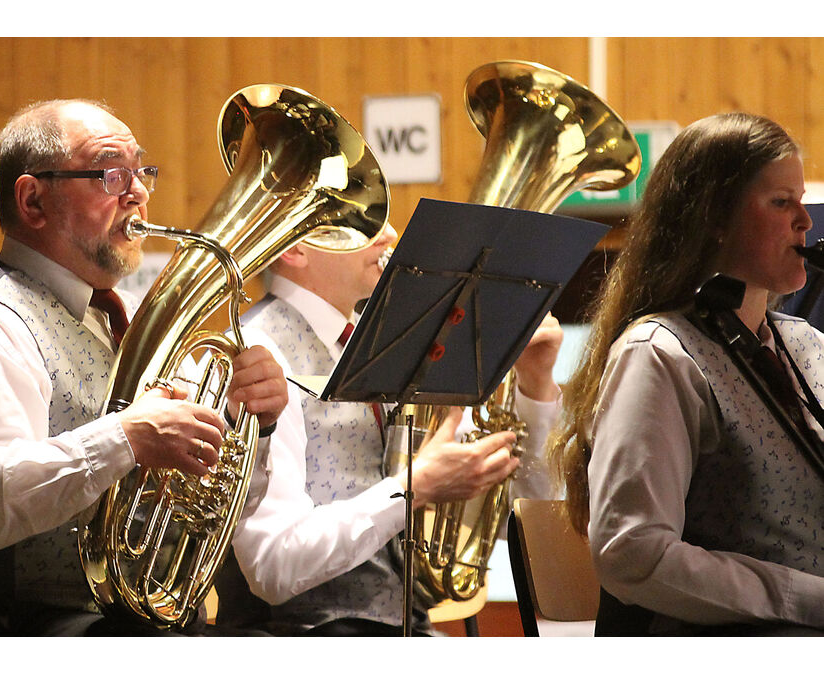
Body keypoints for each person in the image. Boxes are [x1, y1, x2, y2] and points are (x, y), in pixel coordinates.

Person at [0, 99, 288, 636]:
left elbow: (217, 513)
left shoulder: (134, 320)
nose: (138, 192)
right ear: (33, 200)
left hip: (154, 628)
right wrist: (125, 438)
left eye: (141, 172)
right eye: (111, 174)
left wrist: (246, 423)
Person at [215, 220, 564, 636]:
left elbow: (517, 519)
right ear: (296, 249)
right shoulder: (256, 355)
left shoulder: (391, 341)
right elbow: (272, 566)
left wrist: (535, 385)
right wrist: (413, 488)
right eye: (361, 223)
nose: (390, 235)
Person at [549, 112, 824, 636]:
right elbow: (633, 553)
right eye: (781, 202)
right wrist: (805, 600)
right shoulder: (660, 355)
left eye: (802, 199)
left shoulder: (806, 346)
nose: (806, 222)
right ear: (714, 218)